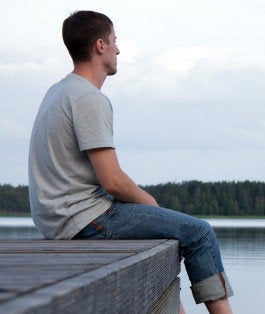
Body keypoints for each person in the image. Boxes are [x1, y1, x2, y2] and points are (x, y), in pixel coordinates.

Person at [28, 10, 233, 314]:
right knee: (198, 232)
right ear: (100, 45)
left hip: (57, 218)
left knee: (169, 232)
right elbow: (112, 180)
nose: (118, 50)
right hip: (84, 218)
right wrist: (150, 204)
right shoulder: (88, 98)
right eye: (114, 41)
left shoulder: (58, 91)